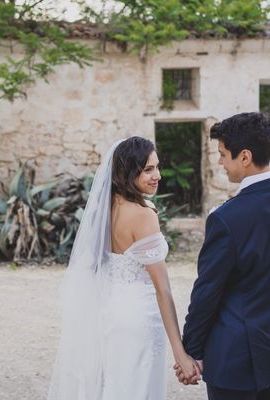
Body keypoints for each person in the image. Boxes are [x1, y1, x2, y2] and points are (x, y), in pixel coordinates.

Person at [175, 112, 270, 400]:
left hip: (232, 357)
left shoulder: (226, 219)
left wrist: (190, 351)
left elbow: (207, 291)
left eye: (222, 155)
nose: (220, 163)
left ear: (244, 157)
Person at [47, 136, 199, 400]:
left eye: (157, 167)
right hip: (138, 318)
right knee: (135, 388)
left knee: (113, 386)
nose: (157, 176)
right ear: (128, 172)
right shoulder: (143, 215)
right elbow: (162, 289)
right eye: (148, 169)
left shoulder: (104, 209)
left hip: (108, 313)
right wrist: (180, 353)